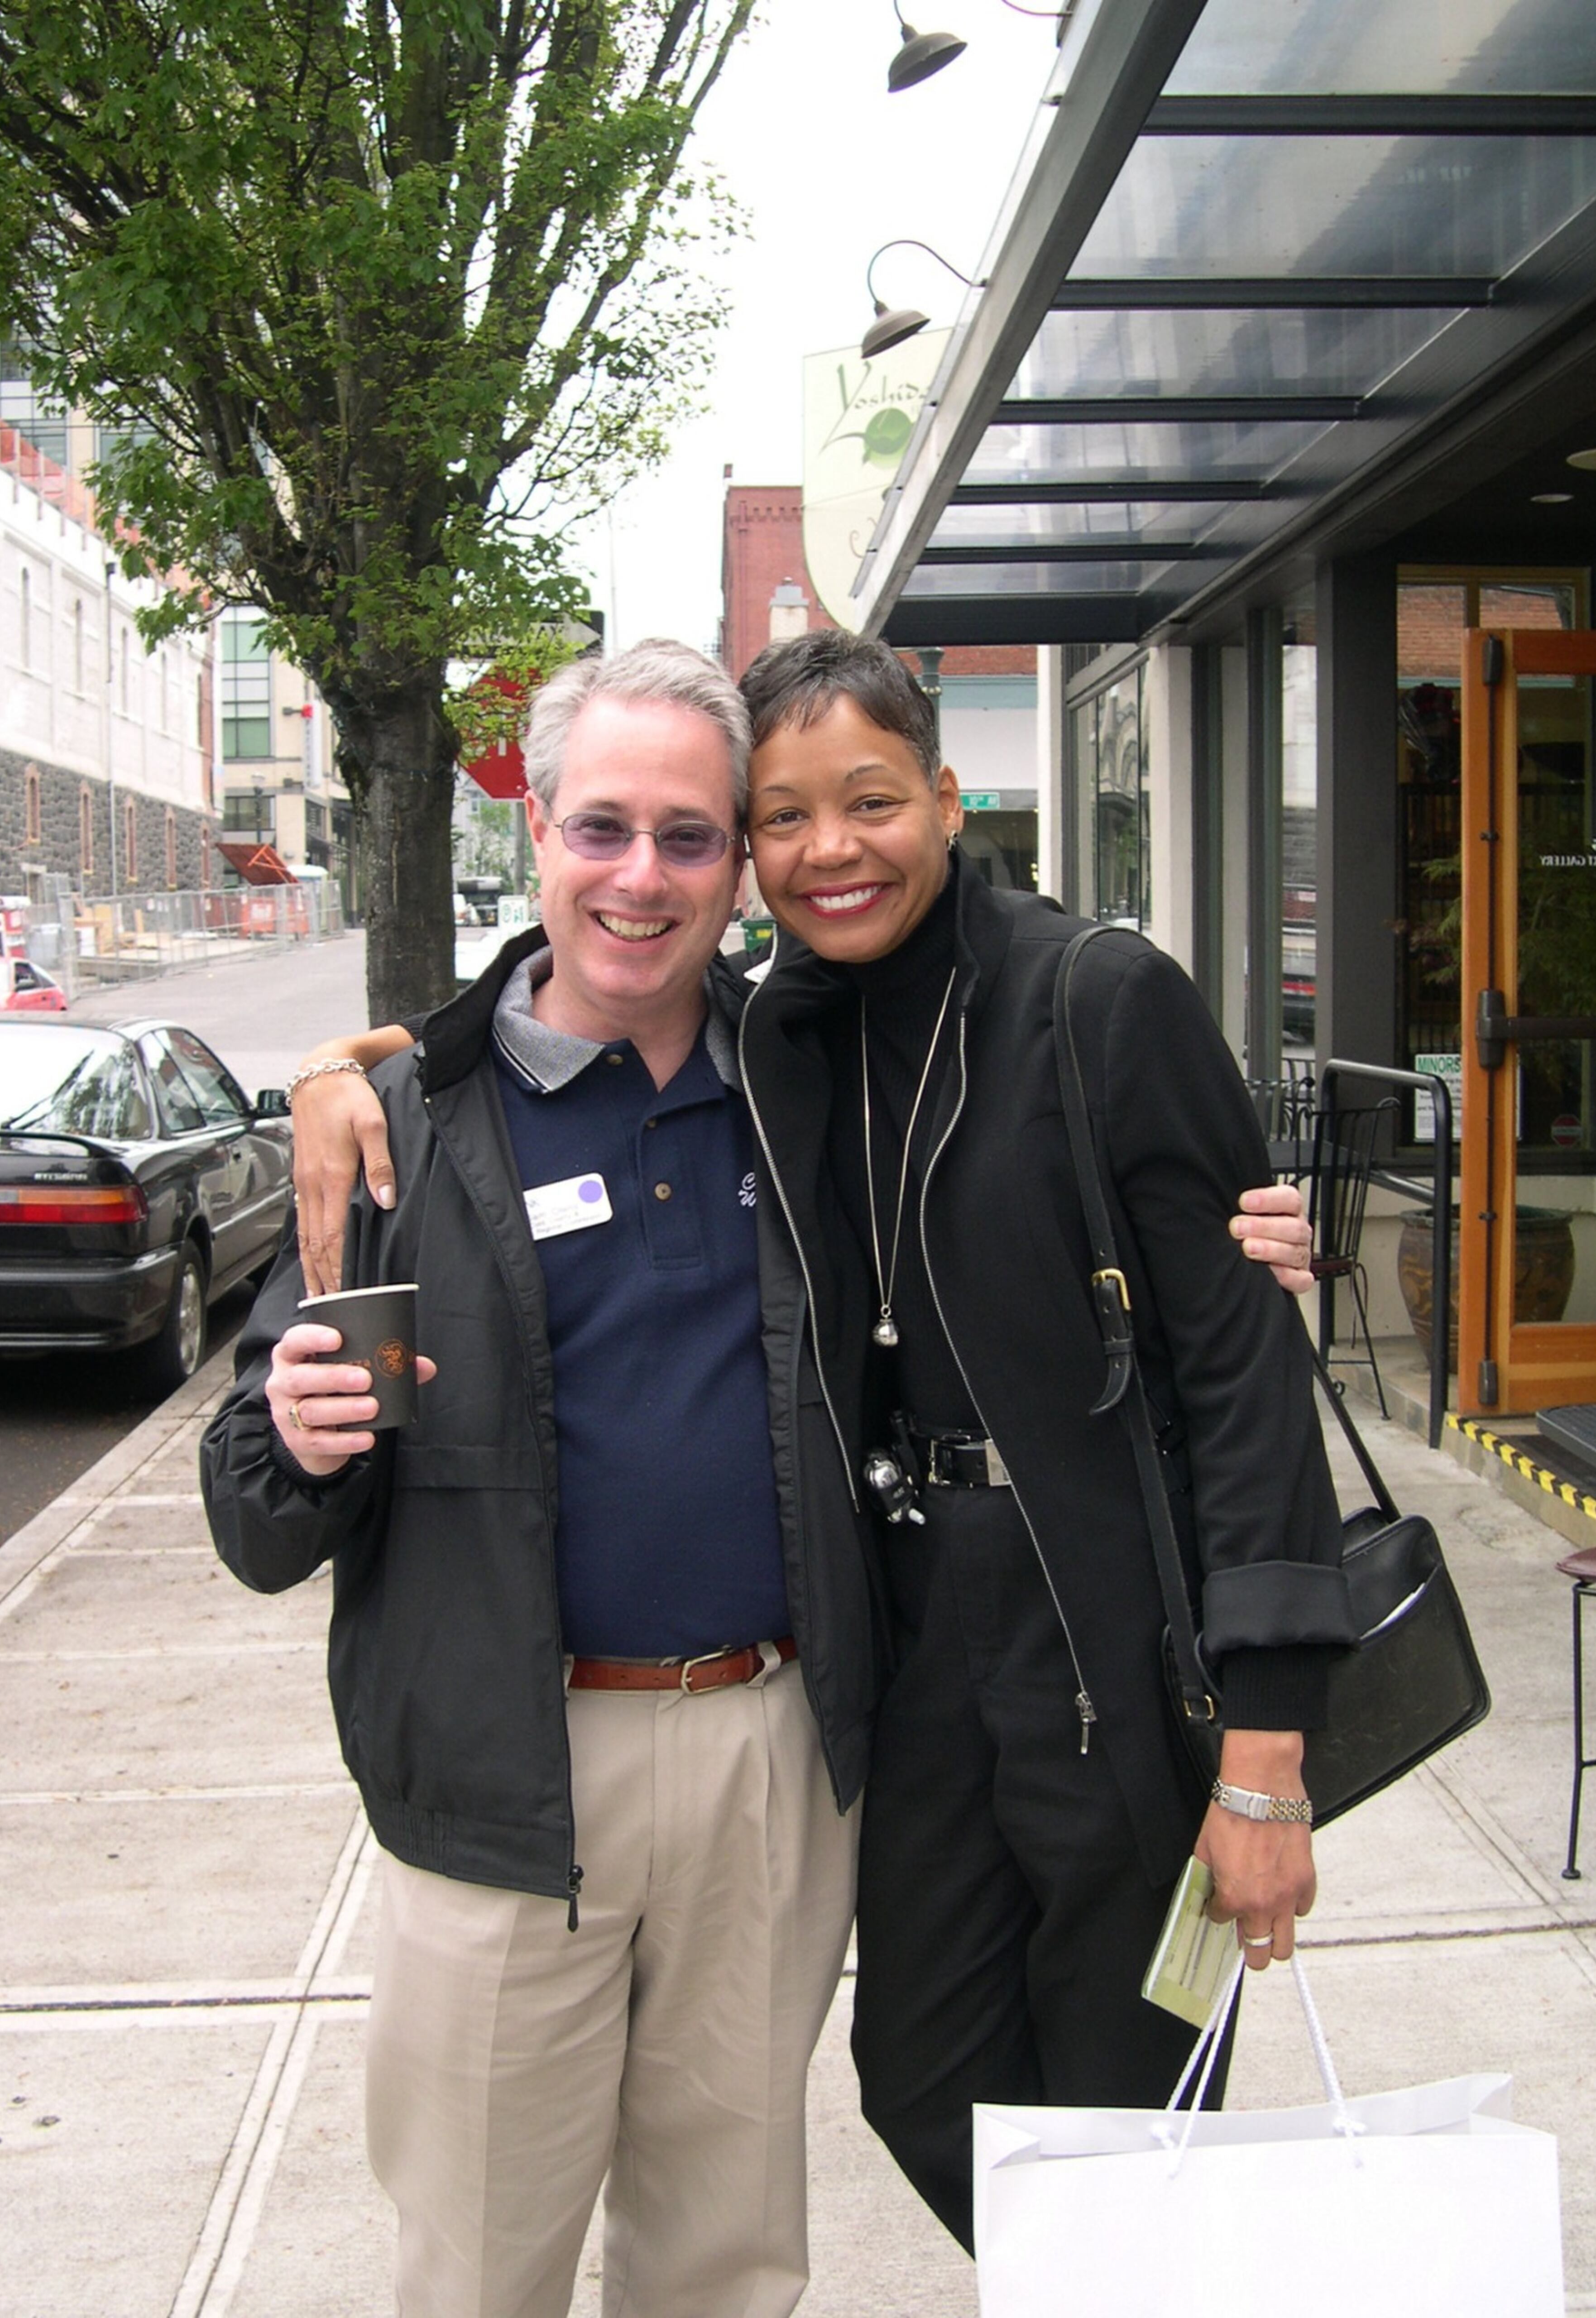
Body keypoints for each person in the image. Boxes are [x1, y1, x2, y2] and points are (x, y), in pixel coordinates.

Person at [271, 637, 1323, 2279]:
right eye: (781, 818)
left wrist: (1265, 1757)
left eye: (870, 802)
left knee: (1133, 2111)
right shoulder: (800, 1032)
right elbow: (549, 1009)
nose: (828, 847)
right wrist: (350, 1064)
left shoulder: (1087, 1000)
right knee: (919, 2076)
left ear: (951, 801)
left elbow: (1249, 1393)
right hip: (894, 1682)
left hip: (1114, 1669)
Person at [201, 642, 881, 2318]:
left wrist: (1231, 1235)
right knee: (481, 2270)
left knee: (725, 2260)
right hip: (506, 1783)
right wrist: (289, 1438)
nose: (640, 879)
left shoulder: (815, 1087)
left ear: (740, 865)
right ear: (537, 826)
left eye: (687, 837)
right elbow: (252, 1511)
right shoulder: (400, 1124)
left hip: (769, 1764)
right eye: (601, 829)